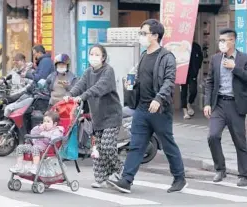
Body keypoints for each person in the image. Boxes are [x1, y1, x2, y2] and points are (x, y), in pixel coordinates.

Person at [107, 19, 186, 194]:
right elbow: (142, 79)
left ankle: (179, 178)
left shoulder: (166, 57)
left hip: (159, 109)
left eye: (144, 33)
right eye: (140, 33)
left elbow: (169, 81)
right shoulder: (143, 55)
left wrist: (158, 99)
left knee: (167, 144)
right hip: (142, 109)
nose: (141, 36)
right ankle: (126, 180)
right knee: (136, 145)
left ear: (155, 36)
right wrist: (131, 84)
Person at [64, 44, 123, 188]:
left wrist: (82, 97)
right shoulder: (88, 72)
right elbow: (80, 85)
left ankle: (120, 171)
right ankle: (101, 178)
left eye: (97, 54)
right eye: (92, 54)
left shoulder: (108, 71)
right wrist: (70, 95)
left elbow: (100, 88)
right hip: (96, 117)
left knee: (108, 146)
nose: (94, 57)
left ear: (103, 57)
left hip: (111, 115)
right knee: (97, 149)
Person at [204, 28, 247, 186]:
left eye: (224, 40)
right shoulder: (215, 59)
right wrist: (207, 103)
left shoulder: (243, 58)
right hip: (219, 104)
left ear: (233, 41)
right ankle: (220, 169)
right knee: (213, 136)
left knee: (240, 141)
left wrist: (234, 68)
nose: (221, 43)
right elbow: (210, 82)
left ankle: (243, 174)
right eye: (220, 40)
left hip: (237, 105)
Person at [181, 41, 203, 119]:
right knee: (183, 91)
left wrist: (197, 68)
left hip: (192, 72)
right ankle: (185, 111)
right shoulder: (181, 44)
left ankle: (189, 103)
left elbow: (200, 57)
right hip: (182, 72)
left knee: (193, 90)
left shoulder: (196, 46)